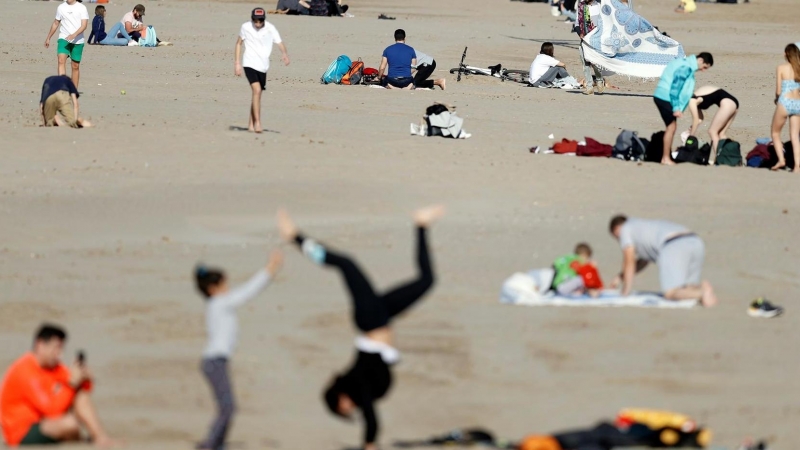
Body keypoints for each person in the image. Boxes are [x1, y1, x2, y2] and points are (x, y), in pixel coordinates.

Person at [277, 205, 444, 450]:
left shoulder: (357, 385)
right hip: (382, 316)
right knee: (427, 281)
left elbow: (371, 417)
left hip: (371, 319)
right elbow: (370, 411)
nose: (347, 409)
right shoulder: (360, 386)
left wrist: (369, 443)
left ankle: (295, 238)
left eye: (341, 408)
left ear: (340, 399)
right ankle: (421, 224)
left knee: (346, 264)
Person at [194, 250, 283, 450]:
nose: (228, 288)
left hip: (215, 362)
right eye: (224, 285)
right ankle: (210, 444)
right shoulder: (219, 303)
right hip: (214, 362)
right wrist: (271, 269)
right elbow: (248, 291)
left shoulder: (217, 304)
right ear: (213, 288)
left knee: (227, 407)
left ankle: (215, 443)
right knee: (228, 407)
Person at [0, 324, 117, 447]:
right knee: (70, 424)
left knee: (80, 396)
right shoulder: (25, 370)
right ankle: (81, 439)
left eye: (61, 349)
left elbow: (84, 389)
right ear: (40, 345)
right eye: (55, 348)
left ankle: (100, 437)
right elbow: (52, 410)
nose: (59, 354)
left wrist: (84, 378)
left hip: (44, 420)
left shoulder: (55, 367)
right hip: (21, 431)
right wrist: (72, 383)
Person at [608, 215, 717, 307]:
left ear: (617, 228)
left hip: (672, 244)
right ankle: (702, 290)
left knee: (670, 293)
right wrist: (620, 277)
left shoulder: (626, 229)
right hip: (694, 241)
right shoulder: (642, 227)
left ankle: (702, 292)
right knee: (687, 288)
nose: (620, 241)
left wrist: (625, 291)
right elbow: (642, 262)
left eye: (617, 237)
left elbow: (629, 261)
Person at [234, 7, 291, 133]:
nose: (258, 24)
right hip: (249, 63)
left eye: (260, 21)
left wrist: (284, 54)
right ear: (252, 19)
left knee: (257, 94)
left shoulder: (270, 28)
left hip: (263, 65)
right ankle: (258, 124)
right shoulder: (246, 27)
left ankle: (250, 124)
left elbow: (280, 42)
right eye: (256, 21)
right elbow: (238, 43)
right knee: (257, 90)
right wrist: (237, 63)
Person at [653, 52, 713, 165]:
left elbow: (683, 87)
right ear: (700, 60)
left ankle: (666, 156)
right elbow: (675, 87)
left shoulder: (685, 64)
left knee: (671, 127)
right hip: (665, 97)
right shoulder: (686, 67)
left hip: (662, 96)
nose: (704, 70)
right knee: (671, 128)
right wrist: (676, 108)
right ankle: (665, 158)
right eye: (704, 67)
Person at [687, 85, 739, 165]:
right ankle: (732, 158)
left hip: (727, 103)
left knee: (712, 131)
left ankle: (718, 159)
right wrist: (690, 128)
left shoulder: (691, 100)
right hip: (732, 102)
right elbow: (700, 119)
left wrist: (691, 136)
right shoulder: (695, 97)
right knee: (721, 134)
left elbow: (695, 119)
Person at [44, 0, 89, 90]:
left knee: (75, 66)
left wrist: (74, 35)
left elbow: (84, 25)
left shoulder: (82, 8)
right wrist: (48, 37)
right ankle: (62, 87)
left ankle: (74, 90)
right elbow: (56, 23)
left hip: (78, 41)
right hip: (63, 38)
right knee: (61, 60)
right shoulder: (61, 7)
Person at [770, 43, 800, 172]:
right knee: (794, 136)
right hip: (797, 103)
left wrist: (776, 100)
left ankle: (781, 160)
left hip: (785, 101)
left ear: (786, 54)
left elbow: (778, 90)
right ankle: (797, 166)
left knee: (775, 133)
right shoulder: (799, 68)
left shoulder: (781, 67)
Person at [576, 0, 605, 95]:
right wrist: (579, 33)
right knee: (585, 64)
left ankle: (599, 81)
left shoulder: (599, 6)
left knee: (595, 63)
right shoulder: (581, 5)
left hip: (595, 39)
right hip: (584, 38)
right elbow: (577, 23)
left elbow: (604, 23)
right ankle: (589, 87)